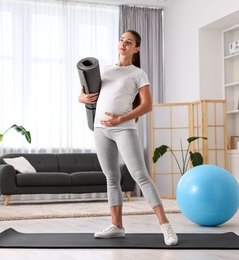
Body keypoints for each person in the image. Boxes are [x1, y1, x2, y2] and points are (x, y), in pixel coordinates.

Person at [78, 30, 178, 246]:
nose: (123, 44)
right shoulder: (104, 70)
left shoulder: (138, 73)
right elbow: (81, 95)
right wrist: (83, 97)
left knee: (141, 176)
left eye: (129, 42)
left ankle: (166, 227)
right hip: (100, 129)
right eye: (122, 40)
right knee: (111, 178)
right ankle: (117, 226)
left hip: (124, 128)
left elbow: (147, 105)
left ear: (136, 49)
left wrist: (121, 119)